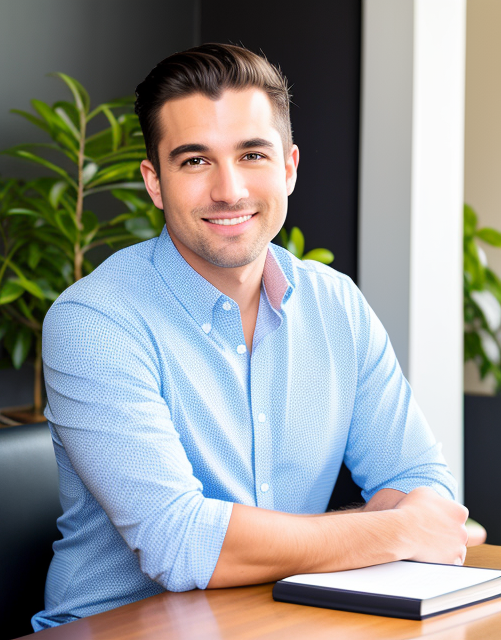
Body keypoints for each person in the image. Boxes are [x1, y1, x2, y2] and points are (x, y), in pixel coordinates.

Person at [32, 43, 472, 631]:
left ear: (289, 167)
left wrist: (401, 520)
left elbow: (423, 487)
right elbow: (181, 545)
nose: (230, 189)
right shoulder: (94, 321)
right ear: (154, 182)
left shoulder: (336, 302)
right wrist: (394, 530)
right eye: (194, 161)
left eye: (252, 154)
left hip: (288, 622)